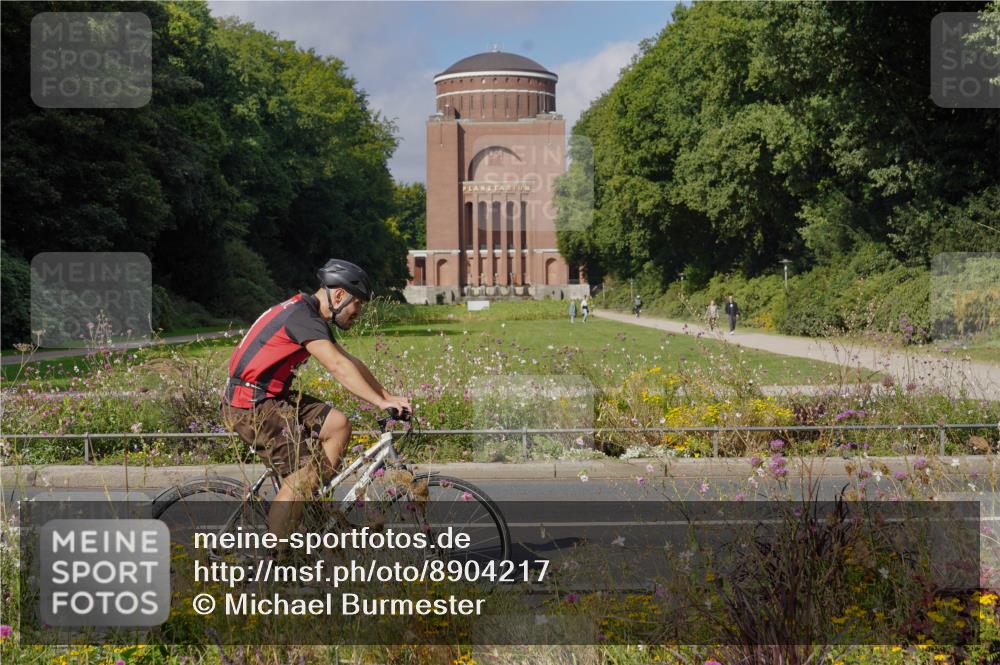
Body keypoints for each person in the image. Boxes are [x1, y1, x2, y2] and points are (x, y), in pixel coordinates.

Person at [220, 259, 412, 541]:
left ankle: (312, 507)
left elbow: (349, 360)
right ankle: (279, 565)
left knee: (338, 425)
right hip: (251, 403)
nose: (358, 312)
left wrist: (386, 395)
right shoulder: (302, 317)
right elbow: (337, 366)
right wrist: (380, 403)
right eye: (357, 303)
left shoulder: (307, 314)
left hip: (272, 396)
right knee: (301, 479)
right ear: (338, 295)